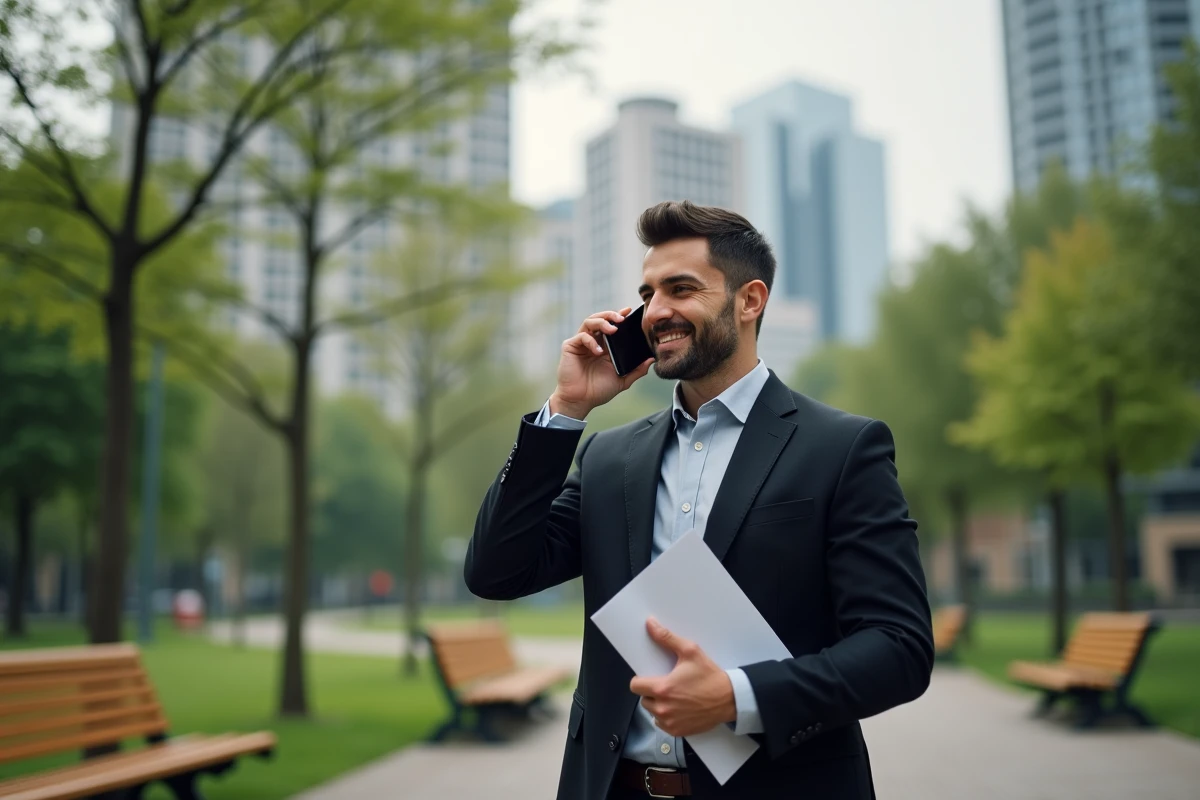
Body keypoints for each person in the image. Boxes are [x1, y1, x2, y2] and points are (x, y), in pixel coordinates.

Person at [465, 201, 933, 799]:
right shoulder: (609, 459)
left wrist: (739, 697)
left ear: (749, 300)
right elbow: (495, 571)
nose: (656, 311)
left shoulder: (843, 448)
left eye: (680, 289)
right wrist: (566, 410)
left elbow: (898, 647)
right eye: (648, 292)